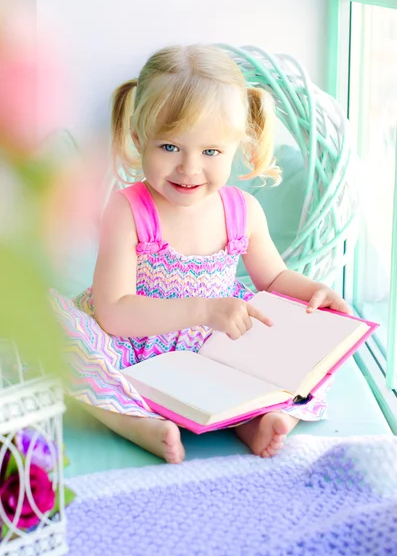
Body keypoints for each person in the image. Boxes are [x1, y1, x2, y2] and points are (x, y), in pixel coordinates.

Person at [51, 44, 351, 464]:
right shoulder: (128, 209)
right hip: (132, 347)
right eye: (170, 147)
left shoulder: (242, 211)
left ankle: (256, 421)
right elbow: (114, 314)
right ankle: (137, 423)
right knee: (55, 338)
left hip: (215, 345)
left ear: (236, 148)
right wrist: (203, 310)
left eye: (210, 152)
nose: (189, 168)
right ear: (140, 139)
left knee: (310, 358)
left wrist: (316, 293)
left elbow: (275, 280)